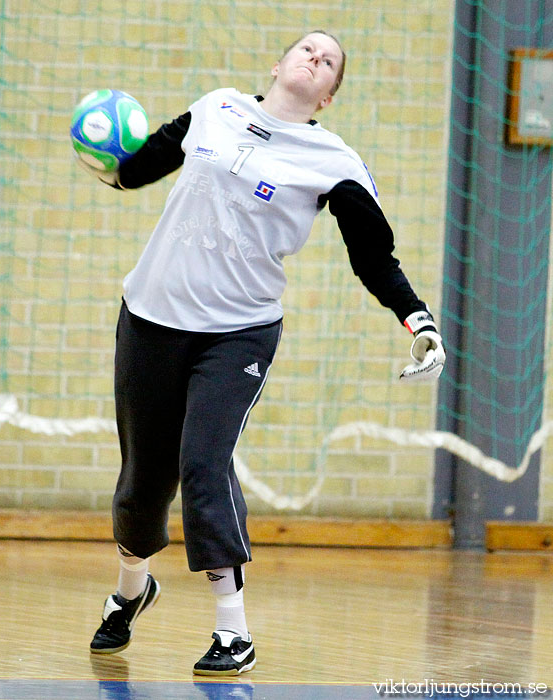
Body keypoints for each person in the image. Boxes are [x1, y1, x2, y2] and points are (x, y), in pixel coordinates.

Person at [77, 30, 446, 675]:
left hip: (238, 333)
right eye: (306, 50)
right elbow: (133, 171)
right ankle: (130, 593)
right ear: (278, 64)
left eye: (328, 61)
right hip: (149, 318)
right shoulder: (216, 108)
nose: (314, 59)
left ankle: (233, 632)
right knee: (142, 482)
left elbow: (374, 258)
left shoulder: (334, 162)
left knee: (204, 463)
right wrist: (100, 154)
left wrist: (417, 319)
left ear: (328, 96)